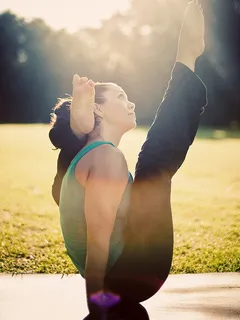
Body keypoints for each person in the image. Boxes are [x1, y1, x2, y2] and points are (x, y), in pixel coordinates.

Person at [49, 1, 207, 319]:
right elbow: (97, 244)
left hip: (123, 276)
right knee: (152, 167)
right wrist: (99, 308)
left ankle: (186, 61)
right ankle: (186, 59)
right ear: (99, 110)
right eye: (121, 97)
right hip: (128, 277)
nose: (131, 102)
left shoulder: (89, 158)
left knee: (150, 166)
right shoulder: (106, 158)